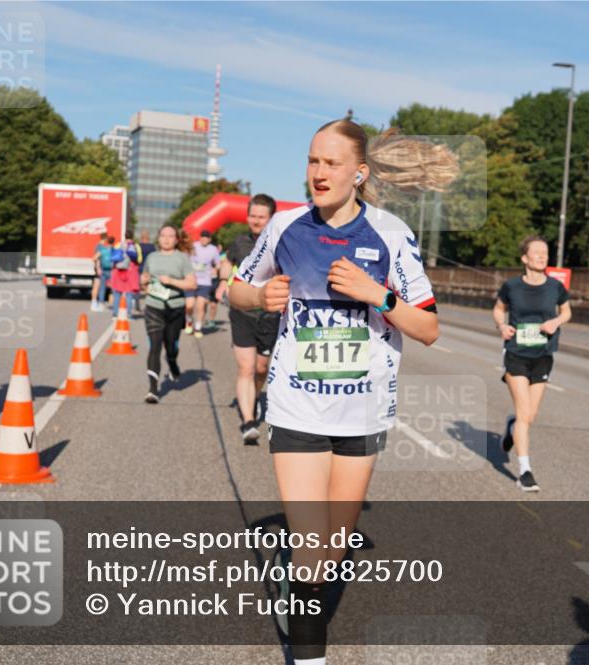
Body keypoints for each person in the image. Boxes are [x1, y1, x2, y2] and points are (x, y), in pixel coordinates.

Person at [230, 119, 450, 665]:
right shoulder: (284, 228)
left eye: (331, 163)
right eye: (312, 161)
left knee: (330, 555)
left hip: (363, 411)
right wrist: (261, 300)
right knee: (309, 550)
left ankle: (298, 590)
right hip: (296, 402)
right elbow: (236, 287)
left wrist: (377, 294)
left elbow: (427, 328)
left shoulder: (392, 234)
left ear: (360, 173)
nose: (319, 173)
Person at [493, 235, 572, 492]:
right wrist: (502, 325)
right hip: (516, 353)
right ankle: (525, 471)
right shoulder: (512, 286)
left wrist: (555, 323)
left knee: (529, 416)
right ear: (525, 258)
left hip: (543, 355)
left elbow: (567, 312)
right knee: (524, 413)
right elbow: (498, 309)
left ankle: (511, 424)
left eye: (545, 253)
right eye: (536, 252)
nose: (542, 256)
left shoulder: (555, 288)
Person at [216, 193, 280, 443]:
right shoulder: (240, 242)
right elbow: (226, 263)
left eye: (261, 216)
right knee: (246, 367)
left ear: (271, 218)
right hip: (242, 311)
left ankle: (253, 398)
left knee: (261, 368)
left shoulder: (280, 242)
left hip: (270, 315)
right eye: (252, 215)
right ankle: (248, 420)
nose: (255, 220)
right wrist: (223, 281)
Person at [140, 225, 196, 404]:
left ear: (176, 240)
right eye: (163, 235)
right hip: (154, 306)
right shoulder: (151, 257)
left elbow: (192, 284)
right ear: (158, 238)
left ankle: (172, 362)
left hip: (175, 307)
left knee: (171, 346)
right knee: (155, 345)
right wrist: (144, 281)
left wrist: (171, 280)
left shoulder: (182, 259)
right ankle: (153, 389)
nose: (166, 239)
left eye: (170, 236)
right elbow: (144, 280)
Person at [183, 230, 219, 338]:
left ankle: (198, 328)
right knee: (189, 305)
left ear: (210, 239)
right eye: (202, 237)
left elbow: (218, 263)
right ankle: (189, 321)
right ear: (199, 238)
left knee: (200, 305)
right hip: (191, 280)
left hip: (205, 281)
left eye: (206, 237)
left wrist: (215, 269)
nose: (204, 239)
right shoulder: (193, 246)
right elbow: (184, 258)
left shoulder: (213, 249)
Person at [109, 231, 141, 317]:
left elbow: (113, 257)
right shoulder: (135, 246)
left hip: (118, 271)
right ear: (132, 236)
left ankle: (115, 313)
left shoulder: (119, 244)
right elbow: (139, 259)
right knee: (129, 294)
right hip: (130, 271)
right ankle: (128, 314)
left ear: (125, 236)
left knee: (117, 293)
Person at [135, 230, 156, 315]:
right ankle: (148, 307)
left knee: (137, 289)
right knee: (148, 289)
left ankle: (137, 306)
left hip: (139, 269)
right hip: (149, 269)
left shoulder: (138, 246)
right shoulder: (152, 247)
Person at [91, 234, 114, 312]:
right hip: (102, 269)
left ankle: (99, 303)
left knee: (101, 287)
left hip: (101, 269)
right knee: (98, 286)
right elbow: (97, 259)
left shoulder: (99, 246)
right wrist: (98, 268)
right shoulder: (101, 247)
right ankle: (95, 303)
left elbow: (95, 258)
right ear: (105, 239)